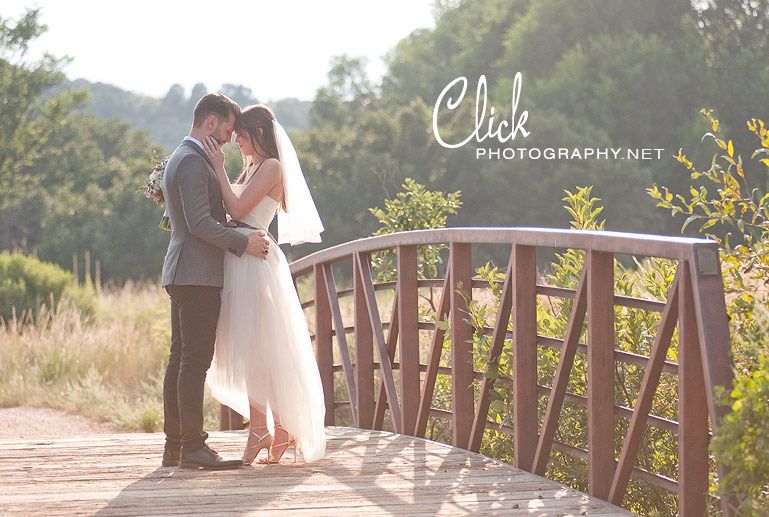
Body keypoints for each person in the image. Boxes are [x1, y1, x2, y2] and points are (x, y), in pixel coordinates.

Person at [202, 103, 326, 465]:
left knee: (256, 346)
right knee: (253, 346)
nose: (235, 139)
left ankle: (264, 427)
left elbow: (239, 210)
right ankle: (276, 426)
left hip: (254, 262)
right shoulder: (253, 165)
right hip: (241, 258)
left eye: (241, 133)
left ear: (259, 132)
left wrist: (218, 169)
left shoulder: (272, 166)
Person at [160, 93, 272, 470]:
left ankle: (176, 446)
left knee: (180, 361)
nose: (227, 139)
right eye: (225, 131)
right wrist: (242, 240)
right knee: (193, 363)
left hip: (186, 271)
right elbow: (200, 223)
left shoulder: (184, 156)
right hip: (197, 274)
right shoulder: (192, 162)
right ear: (210, 123)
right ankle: (192, 447)